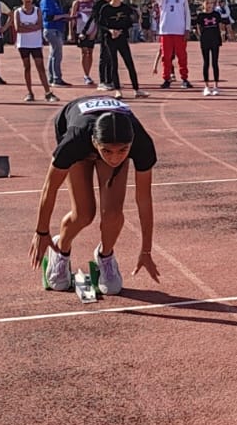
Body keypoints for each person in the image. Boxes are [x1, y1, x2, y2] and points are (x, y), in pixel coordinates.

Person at [31, 97, 159, 298]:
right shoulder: (74, 140)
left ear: (131, 144)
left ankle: (105, 256)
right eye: (107, 151)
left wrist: (146, 250)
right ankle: (61, 251)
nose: (115, 158)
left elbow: (144, 200)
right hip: (76, 131)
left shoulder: (142, 143)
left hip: (108, 136)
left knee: (113, 214)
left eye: (122, 151)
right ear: (95, 142)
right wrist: (41, 231)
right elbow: (50, 187)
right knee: (84, 213)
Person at [95, 0, 146, 99]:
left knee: (129, 63)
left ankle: (137, 89)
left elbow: (130, 22)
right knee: (114, 63)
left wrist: (121, 31)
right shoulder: (105, 8)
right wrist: (110, 31)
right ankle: (118, 90)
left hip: (122, 38)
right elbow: (100, 24)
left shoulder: (125, 8)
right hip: (110, 39)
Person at [148, 0, 193, 89]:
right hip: (166, 31)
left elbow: (187, 13)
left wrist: (187, 28)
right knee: (166, 57)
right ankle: (166, 78)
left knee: (182, 56)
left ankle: (184, 78)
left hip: (179, 31)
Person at [12, 0, 56, 103]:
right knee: (27, 67)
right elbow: (18, 28)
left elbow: (39, 26)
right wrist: (32, 27)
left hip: (36, 43)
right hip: (23, 44)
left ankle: (48, 92)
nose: (27, 0)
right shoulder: (18, 12)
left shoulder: (37, 11)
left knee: (40, 67)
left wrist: (26, 26)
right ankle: (29, 92)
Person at [194, 0, 225, 95]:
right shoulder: (201, 15)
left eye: (211, 3)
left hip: (215, 39)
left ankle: (216, 86)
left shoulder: (216, 14)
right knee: (206, 63)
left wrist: (222, 34)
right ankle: (206, 86)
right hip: (205, 40)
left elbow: (220, 25)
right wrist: (200, 37)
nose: (209, 5)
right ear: (203, 4)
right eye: (207, 3)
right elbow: (198, 28)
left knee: (215, 63)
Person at [70, 0, 100, 86]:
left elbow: (97, 19)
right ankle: (86, 74)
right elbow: (72, 18)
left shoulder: (94, 3)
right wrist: (71, 33)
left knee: (90, 52)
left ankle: (88, 73)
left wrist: (94, 31)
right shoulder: (77, 3)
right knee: (84, 52)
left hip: (91, 31)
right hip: (80, 31)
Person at [41, 0, 69, 87]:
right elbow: (48, 17)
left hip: (57, 28)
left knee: (53, 53)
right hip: (51, 29)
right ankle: (56, 79)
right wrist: (63, 16)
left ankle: (52, 77)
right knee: (57, 54)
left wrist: (66, 18)